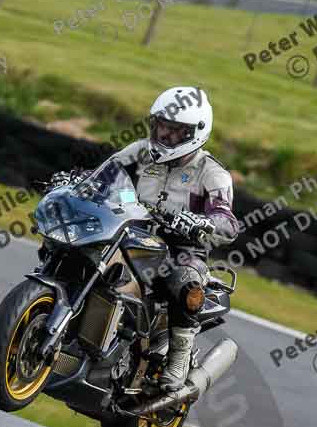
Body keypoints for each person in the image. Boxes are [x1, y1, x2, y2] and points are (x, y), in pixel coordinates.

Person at [51, 86, 239, 392]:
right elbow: (101, 177)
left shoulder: (212, 173)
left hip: (181, 247)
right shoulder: (138, 152)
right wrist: (75, 182)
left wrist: (199, 222)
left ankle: (178, 356)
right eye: (160, 126)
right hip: (130, 231)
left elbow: (228, 223)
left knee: (185, 281)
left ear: (196, 132)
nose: (164, 136)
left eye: (175, 132)